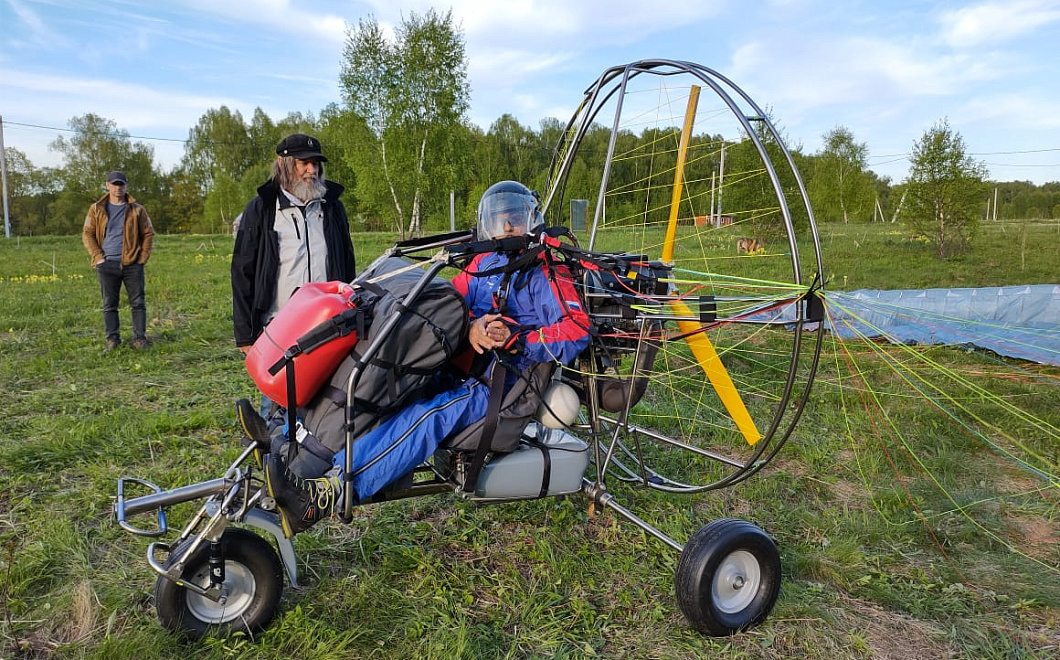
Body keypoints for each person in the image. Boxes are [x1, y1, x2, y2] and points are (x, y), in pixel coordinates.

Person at [259, 180, 591, 537]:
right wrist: (471, 328)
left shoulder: (546, 273)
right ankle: (301, 443)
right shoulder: (483, 260)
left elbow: (577, 328)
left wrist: (518, 339)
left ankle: (330, 493)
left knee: (428, 416)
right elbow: (455, 305)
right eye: (500, 220)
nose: (508, 227)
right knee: (388, 380)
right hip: (460, 365)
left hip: (502, 383)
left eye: (514, 219)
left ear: (532, 219)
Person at [231, 133, 357, 355]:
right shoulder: (262, 209)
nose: (312, 170)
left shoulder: (332, 208)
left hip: (330, 325)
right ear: (283, 164)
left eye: (315, 164)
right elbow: (242, 272)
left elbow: (347, 263)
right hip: (277, 327)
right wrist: (245, 336)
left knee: (332, 390)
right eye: (304, 163)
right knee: (280, 389)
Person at [81, 170, 155, 351]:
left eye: (121, 184)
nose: (117, 188)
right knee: (109, 304)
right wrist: (98, 257)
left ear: (126, 186)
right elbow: (87, 233)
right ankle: (112, 339)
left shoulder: (137, 209)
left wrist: (142, 258)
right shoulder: (96, 208)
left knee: (138, 303)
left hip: (132, 264)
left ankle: (139, 339)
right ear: (107, 185)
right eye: (114, 184)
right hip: (107, 265)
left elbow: (148, 233)